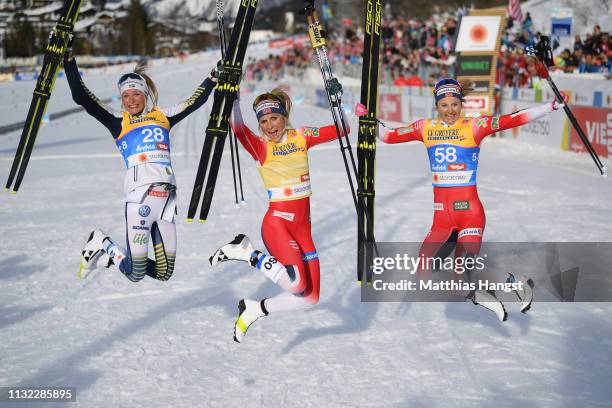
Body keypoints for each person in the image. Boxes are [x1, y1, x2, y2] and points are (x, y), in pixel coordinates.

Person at [378, 78, 567, 320]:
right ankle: (496, 295)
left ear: (461, 104)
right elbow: (388, 136)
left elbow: (512, 119)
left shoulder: (475, 126)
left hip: (470, 216)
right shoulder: (424, 127)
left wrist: (550, 106)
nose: (450, 110)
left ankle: (518, 286)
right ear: (437, 105)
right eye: (444, 105)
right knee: (425, 270)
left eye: (455, 104)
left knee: (463, 272)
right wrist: (368, 118)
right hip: (442, 220)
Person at [65, 40, 219, 282]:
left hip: (167, 201)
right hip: (139, 200)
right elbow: (81, 97)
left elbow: (194, 102)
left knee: (165, 273)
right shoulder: (117, 120)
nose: (131, 100)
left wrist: (212, 78)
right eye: (126, 96)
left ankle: (113, 256)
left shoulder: (163, 116)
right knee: (136, 273)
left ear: (145, 95)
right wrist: (69, 61)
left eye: (136, 94)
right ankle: (102, 243)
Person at [209, 87, 347, 342]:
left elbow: (343, 129)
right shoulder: (260, 147)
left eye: (274, 118)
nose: (269, 126)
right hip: (278, 225)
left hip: (303, 229)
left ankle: (256, 309)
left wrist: (337, 102)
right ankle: (245, 252)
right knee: (295, 284)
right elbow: (238, 129)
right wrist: (234, 99)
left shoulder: (302, 136)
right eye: (263, 121)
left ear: (284, 116)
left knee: (310, 297)